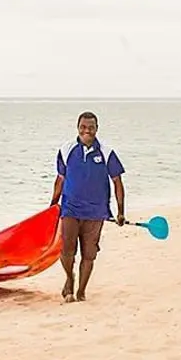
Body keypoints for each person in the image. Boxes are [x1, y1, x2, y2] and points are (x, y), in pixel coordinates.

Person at [50, 111, 126, 302]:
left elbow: (117, 182)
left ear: (96, 129)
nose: (87, 131)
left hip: (96, 212)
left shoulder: (107, 153)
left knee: (89, 254)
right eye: (83, 127)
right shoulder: (66, 150)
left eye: (91, 127)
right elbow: (60, 180)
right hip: (70, 209)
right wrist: (52, 206)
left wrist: (120, 212)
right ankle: (70, 278)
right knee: (66, 251)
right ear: (78, 127)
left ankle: (81, 291)